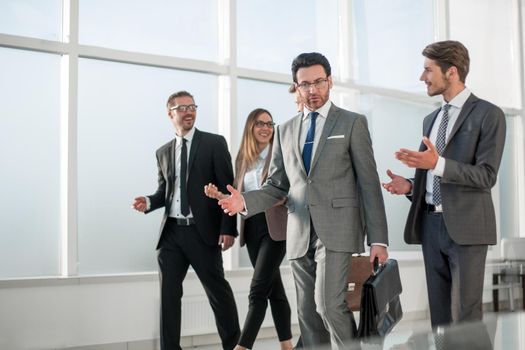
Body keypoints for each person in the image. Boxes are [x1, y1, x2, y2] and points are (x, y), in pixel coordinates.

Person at [216, 52, 389, 350]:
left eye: (318, 82)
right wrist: (243, 201)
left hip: (336, 232)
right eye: (304, 84)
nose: (312, 90)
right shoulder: (285, 130)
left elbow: (369, 184)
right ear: (296, 87)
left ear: (330, 82)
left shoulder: (352, 123)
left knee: (328, 306)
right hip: (298, 234)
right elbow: (277, 185)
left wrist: (379, 239)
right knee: (308, 316)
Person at [382, 40, 506, 327]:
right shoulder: (431, 119)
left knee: (465, 316)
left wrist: (436, 164)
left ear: (451, 71)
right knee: (438, 316)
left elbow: (486, 175)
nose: (422, 77)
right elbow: (432, 172)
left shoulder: (489, 114)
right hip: (430, 226)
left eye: (428, 70)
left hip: (467, 227)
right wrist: (411, 186)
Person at [132, 91, 240, 350]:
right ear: (170, 114)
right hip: (171, 235)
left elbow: (229, 188)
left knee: (218, 293)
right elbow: (165, 193)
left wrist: (229, 229)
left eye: (192, 106)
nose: (189, 111)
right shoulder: (163, 152)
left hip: (202, 233)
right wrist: (148, 202)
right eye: (182, 108)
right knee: (168, 297)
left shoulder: (214, 143)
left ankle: (235, 346)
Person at [205, 108, 294, 350]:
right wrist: (219, 195)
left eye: (269, 123)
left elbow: (284, 191)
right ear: (250, 128)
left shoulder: (281, 154)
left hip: (276, 228)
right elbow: (241, 197)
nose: (265, 128)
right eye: (259, 123)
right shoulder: (243, 158)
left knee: (257, 290)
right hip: (252, 228)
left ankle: (242, 347)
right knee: (274, 289)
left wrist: (269, 198)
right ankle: (287, 346)